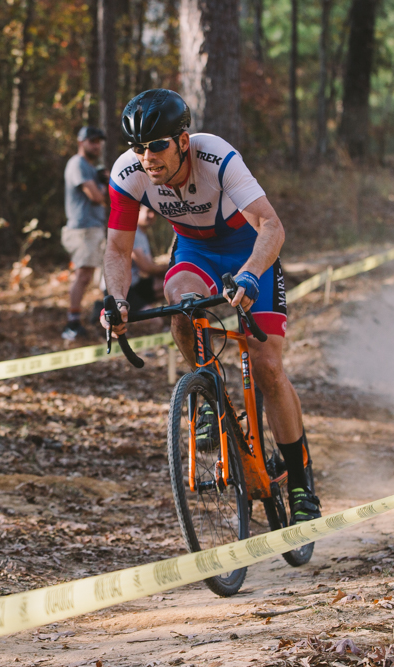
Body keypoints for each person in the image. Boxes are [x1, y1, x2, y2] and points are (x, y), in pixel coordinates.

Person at [100, 88, 321, 524]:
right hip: (195, 252)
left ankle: (299, 482)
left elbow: (272, 226)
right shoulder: (127, 173)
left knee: (267, 366)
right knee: (181, 302)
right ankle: (209, 393)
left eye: (157, 145)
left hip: (249, 250)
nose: (147, 158)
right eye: (139, 148)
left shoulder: (216, 156)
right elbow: (117, 249)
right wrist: (117, 300)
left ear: (183, 141)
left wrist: (251, 274)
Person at [61, 126, 108, 340]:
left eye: (99, 142)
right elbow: (96, 197)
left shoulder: (90, 167)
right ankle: (72, 324)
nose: (96, 145)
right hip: (83, 230)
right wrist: (105, 184)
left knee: (94, 275)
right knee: (83, 275)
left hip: (93, 227)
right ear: (81, 142)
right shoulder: (77, 164)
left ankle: (98, 312)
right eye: (92, 141)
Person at [126, 205, 167, 312]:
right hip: (122, 290)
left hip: (136, 284)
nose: (152, 215)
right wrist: (171, 268)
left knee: (172, 282)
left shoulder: (142, 234)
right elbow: (147, 268)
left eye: (155, 213)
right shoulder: (132, 232)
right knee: (156, 320)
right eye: (148, 211)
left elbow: (150, 267)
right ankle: (102, 308)